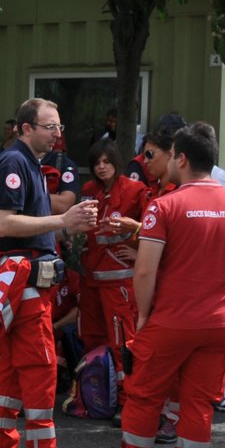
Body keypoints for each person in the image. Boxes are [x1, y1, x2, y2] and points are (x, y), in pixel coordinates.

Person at [86, 123, 225, 448]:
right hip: (221, 323)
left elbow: (145, 270)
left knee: (145, 399)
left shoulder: (165, 206)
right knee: (198, 405)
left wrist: (143, 316)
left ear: (181, 158)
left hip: (170, 321)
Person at [0, 98, 99, 448]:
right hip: (28, 283)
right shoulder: (15, 163)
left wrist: (65, 227)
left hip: (29, 281)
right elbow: (6, 223)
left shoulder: (25, 161)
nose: (58, 133)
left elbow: (26, 223)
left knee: (14, 370)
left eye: (59, 126)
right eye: (50, 126)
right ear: (25, 128)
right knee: (41, 370)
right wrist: (64, 220)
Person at [76, 141, 148, 354]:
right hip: (90, 278)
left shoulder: (135, 190)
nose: (102, 167)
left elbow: (153, 230)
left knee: (122, 338)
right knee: (90, 335)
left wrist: (139, 254)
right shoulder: (89, 190)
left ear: (116, 163)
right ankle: (97, 383)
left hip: (119, 280)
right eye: (97, 162)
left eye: (107, 161)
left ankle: (124, 386)